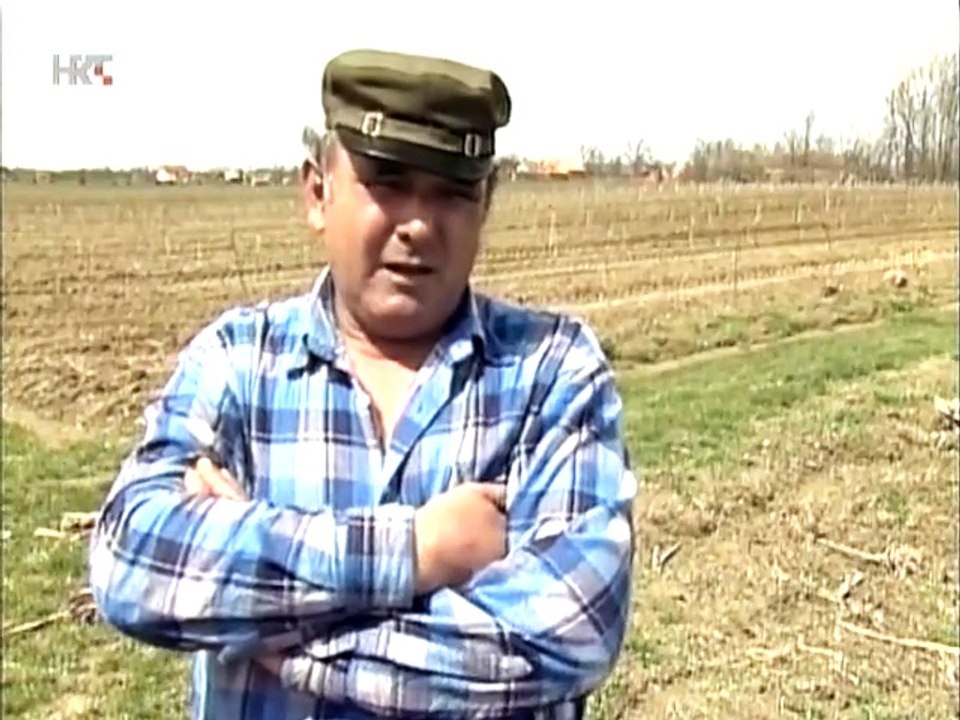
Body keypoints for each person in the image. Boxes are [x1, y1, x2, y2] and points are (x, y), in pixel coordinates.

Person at [88, 48, 638, 720]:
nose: (419, 224)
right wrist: (415, 550)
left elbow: (566, 632)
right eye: (387, 182)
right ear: (317, 193)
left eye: (453, 191)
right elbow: (132, 560)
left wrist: (278, 637)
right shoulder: (239, 363)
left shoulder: (551, 372)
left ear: (486, 202)